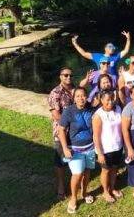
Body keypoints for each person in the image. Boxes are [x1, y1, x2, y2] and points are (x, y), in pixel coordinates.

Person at [58, 87, 95, 214]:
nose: (81, 98)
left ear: (87, 96)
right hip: (75, 149)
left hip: (90, 147)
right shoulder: (69, 111)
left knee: (87, 171)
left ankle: (84, 192)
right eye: (78, 96)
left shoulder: (91, 108)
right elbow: (61, 130)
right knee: (77, 174)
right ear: (74, 98)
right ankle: (73, 198)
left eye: (83, 95)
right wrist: (65, 148)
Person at [48, 67, 75, 201]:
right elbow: (56, 115)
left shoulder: (75, 90)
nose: (68, 78)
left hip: (75, 131)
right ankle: (61, 187)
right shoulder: (55, 93)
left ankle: (76, 182)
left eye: (70, 75)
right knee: (60, 160)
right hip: (62, 132)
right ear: (60, 76)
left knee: (76, 157)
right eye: (65, 75)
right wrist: (70, 123)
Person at [92, 89, 124, 203]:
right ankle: (105, 191)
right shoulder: (98, 115)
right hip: (105, 149)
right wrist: (100, 153)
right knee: (105, 170)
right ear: (101, 100)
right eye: (107, 100)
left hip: (118, 146)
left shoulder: (118, 109)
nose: (110, 102)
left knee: (114, 169)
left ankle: (112, 187)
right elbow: (96, 136)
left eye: (112, 99)